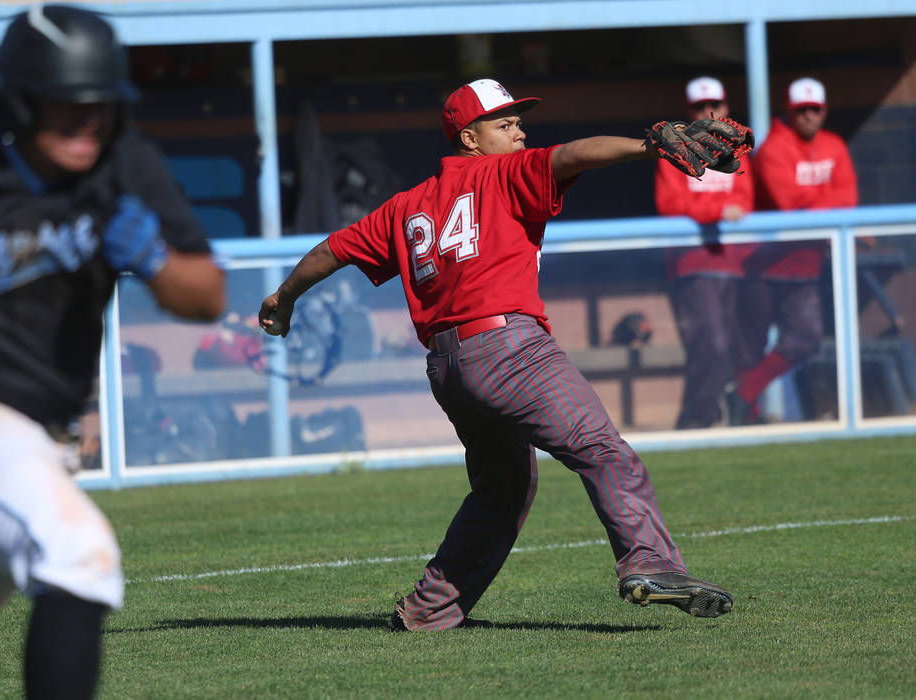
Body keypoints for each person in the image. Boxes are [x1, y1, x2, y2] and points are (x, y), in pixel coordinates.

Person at [259, 78, 735, 631]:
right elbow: (573, 154)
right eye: (504, 124)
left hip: (449, 367)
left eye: (518, 123)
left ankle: (427, 611)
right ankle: (650, 562)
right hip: (510, 349)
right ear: (470, 138)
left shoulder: (405, 205)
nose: (519, 133)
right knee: (602, 449)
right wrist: (648, 146)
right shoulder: (505, 171)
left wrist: (282, 297)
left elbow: (332, 249)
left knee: (502, 489)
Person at [0, 6, 226, 698]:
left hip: (30, 438)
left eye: (101, 105)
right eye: (67, 106)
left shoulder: (123, 164)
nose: (87, 122)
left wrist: (152, 258)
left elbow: (206, 294)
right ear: (17, 101)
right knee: (77, 554)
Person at [728, 77, 858, 424]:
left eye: (815, 109)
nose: (809, 116)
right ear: (789, 111)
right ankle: (745, 420)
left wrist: (815, 203)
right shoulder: (773, 148)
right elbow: (789, 203)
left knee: (806, 336)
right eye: (802, 110)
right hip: (761, 261)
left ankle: (744, 395)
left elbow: (850, 200)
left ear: (824, 111)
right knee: (749, 347)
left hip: (805, 262)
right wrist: (827, 201)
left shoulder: (834, 145)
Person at [654, 76, 754, 429]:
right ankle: (696, 421)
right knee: (708, 344)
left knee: (727, 346)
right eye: (700, 107)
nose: (709, 112)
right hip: (692, 265)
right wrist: (716, 210)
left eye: (716, 105)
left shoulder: (736, 150)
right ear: (689, 112)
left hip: (733, 263)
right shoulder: (675, 150)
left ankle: (704, 417)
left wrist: (715, 206)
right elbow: (671, 204)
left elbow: (744, 199)